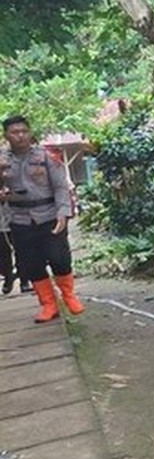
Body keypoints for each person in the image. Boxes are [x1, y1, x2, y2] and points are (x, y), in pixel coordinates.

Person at [0, 115, 82, 322]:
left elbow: (61, 187)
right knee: (31, 263)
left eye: (24, 131)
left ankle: (69, 296)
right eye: (14, 132)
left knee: (59, 258)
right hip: (19, 219)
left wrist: (63, 213)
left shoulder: (46, 156)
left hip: (49, 214)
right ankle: (48, 304)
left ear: (30, 133)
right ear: (6, 135)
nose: (20, 136)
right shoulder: (2, 160)